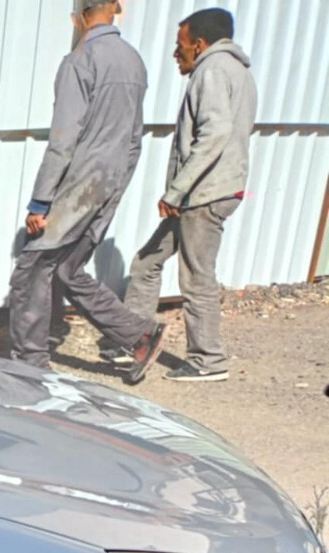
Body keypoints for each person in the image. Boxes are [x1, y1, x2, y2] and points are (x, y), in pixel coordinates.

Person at [4, 0, 165, 383]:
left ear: (77, 18)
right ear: (116, 9)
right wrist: (115, 188)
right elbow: (133, 139)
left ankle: (27, 366)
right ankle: (139, 334)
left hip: (78, 183)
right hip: (109, 181)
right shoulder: (134, 62)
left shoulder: (79, 61)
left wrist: (41, 200)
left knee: (31, 271)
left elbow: (63, 139)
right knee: (67, 268)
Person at [120, 8, 257, 383]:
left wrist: (178, 191)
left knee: (197, 278)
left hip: (203, 195)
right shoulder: (238, 72)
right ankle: (132, 338)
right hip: (207, 191)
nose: (175, 54)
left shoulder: (212, 71)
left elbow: (214, 135)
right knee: (147, 262)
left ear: (199, 44)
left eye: (180, 46)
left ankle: (207, 360)